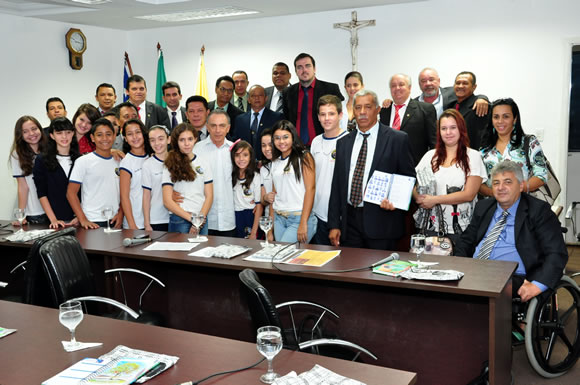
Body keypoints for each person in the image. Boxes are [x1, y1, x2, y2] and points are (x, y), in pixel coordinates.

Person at [455, 160, 568, 301]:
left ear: (521, 186)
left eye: (508, 182)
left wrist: (538, 285)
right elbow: (466, 241)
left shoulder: (539, 211)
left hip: (514, 277)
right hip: (477, 271)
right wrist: (458, 269)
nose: (500, 187)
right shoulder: (483, 207)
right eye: (496, 183)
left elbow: (556, 253)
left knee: (485, 291)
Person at [327, 89, 416, 250]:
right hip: (349, 223)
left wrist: (396, 201)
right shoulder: (343, 143)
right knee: (351, 272)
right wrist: (334, 224)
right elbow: (336, 186)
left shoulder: (397, 139)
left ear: (377, 109)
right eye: (358, 108)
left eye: (367, 107)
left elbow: (408, 177)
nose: (362, 112)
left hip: (383, 222)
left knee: (379, 274)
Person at [413, 109, 487, 243]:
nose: (448, 133)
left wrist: (434, 200)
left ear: (461, 129)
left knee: (458, 264)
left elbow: (469, 194)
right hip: (428, 228)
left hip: (461, 231)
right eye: (444, 128)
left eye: (453, 128)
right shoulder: (430, 156)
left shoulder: (473, 156)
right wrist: (418, 197)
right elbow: (415, 185)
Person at [479, 98, 547, 197]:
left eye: (506, 116)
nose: (500, 121)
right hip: (493, 206)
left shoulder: (529, 142)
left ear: (514, 119)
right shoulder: (484, 149)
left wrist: (517, 189)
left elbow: (541, 175)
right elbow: (478, 181)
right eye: (496, 117)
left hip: (522, 204)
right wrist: (495, 194)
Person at [67, 118, 123, 230]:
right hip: (92, 220)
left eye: (108, 134)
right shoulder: (83, 161)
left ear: (114, 135)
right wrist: (82, 219)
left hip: (115, 219)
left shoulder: (120, 160)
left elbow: (125, 192)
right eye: (99, 135)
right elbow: (71, 193)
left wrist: (121, 214)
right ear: (92, 138)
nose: (104, 139)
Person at [270, 120, 317, 243]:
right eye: (277, 138)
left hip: (298, 218)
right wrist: (270, 228)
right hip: (279, 218)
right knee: (280, 259)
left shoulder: (304, 157)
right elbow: (274, 196)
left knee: (284, 256)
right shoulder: (275, 161)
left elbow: (310, 189)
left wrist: (303, 222)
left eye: (285, 137)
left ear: (293, 137)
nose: (281, 142)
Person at [162, 123, 213, 234]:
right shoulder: (170, 164)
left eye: (190, 139)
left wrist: (200, 219)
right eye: (182, 140)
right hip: (180, 219)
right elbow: (167, 201)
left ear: (195, 139)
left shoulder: (204, 162)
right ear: (176, 142)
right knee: (179, 251)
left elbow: (209, 196)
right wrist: (191, 219)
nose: (186, 144)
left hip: (201, 219)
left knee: (202, 251)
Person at [283, 53, 344, 145]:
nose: (304, 70)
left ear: (314, 69)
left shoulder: (331, 89)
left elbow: (340, 117)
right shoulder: (288, 92)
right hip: (296, 147)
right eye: (299, 67)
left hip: (325, 144)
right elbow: (287, 119)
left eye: (308, 66)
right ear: (296, 71)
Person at [311, 95, 348, 245]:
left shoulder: (349, 140)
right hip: (317, 214)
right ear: (318, 117)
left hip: (340, 217)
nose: (327, 118)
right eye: (323, 114)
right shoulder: (315, 142)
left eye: (331, 114)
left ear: (340, 115)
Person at [380, 73, 437, 165]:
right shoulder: (383, 111)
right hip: (387, 166)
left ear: (409, 88)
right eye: (393, 86)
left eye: (401, 85)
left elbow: (434, 142)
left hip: (415, 167)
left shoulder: (425, 109)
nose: (397, 88)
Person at [194, 110, 236, 236]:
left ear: (228, 128)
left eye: (222, 126)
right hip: (203, 218)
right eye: (213, 125)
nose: (217, 130)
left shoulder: (236, 151)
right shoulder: (196, 150)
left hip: (229, 218)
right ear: (207, 127)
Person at [32, 117, 80, 228]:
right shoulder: (42, 160)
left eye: (68, 132)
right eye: (59, 133)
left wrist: (80, 216)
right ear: (52, 135)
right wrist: (53, 219)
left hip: (79, 219)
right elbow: (41, 193)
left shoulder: (80, 159)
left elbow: (87, 192)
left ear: (73, 133)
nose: (64, 137)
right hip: (56, 221)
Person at [10, 116, 47, 225]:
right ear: (20, 135)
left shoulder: (51, 149)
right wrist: (22, 216)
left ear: (40, 129)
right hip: (35, 212)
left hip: (56, 210)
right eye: (25, 131)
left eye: (34, 129)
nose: (31, 133)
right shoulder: (17, 154)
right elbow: (22, 186)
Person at [416, 68, 489, 119]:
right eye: (423, 81)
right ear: (419, 84)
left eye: (431, 79)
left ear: (438, 81)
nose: (428, 83)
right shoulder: (414, 104)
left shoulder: (452, 92)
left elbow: (470, 95)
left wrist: (482, 98)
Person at [233, 85, 283, 158]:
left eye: (260, 95)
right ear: (248, 99)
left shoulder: (276, 117)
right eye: (253, 96)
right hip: (245, 162)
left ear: (266, 98)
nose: (257, 98)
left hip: (268, 161)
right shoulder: (240, 119)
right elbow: (236, 142)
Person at [444, 71, 489, 150]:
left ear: (474, 87)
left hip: (472, 154)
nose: (460, 86)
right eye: (458, 83)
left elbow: (484, 136)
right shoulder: (450, 106)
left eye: (465, 83)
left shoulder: (479, 105)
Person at [119, 119, 151, 229]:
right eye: (130, 134)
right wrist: (132, 226)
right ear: (125, 139)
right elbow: (124, 197)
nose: (135, 137)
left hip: (155, 219)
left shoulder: (152, 157)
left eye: (137, 132)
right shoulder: (126, 162)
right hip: (136, 222)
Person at [231, 140, 263, 238]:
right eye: (237, 155)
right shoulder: (231, 175)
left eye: (245, 155)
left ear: (250, 157)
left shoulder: (256, 177)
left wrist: (254, 232)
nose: (241, 159)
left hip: (250, 216)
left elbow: (259, 206)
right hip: (234, 216)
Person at [142, 125, 170, 232]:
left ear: (169, 139)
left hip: (177, 217)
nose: (157, 143)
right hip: (157, 219)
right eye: (152, 140)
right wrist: (147, 223)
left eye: (161, 139)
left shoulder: (177, 161)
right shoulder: (147, 165)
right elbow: (146, 196)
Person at [259, 128, 275, 226]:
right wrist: (266, 197)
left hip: (288, 216)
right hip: (268, 218)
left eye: (270, 145)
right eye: (263, 145)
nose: (267, 149)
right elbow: (262, 200)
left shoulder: (287, 164)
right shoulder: (263, 169)